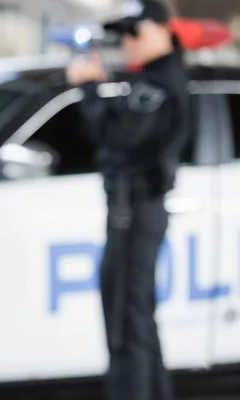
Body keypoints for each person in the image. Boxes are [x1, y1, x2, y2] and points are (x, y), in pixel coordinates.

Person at [66, 1, 189, 400]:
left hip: (133, 212)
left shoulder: (160, 82)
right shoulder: (155, 78)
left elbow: (118, 138)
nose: (127, 42)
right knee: (137, 326)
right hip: (132, 210)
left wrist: (88, 88)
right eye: (122, 34)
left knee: (125, 328)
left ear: (161, 29)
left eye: (133, 32)